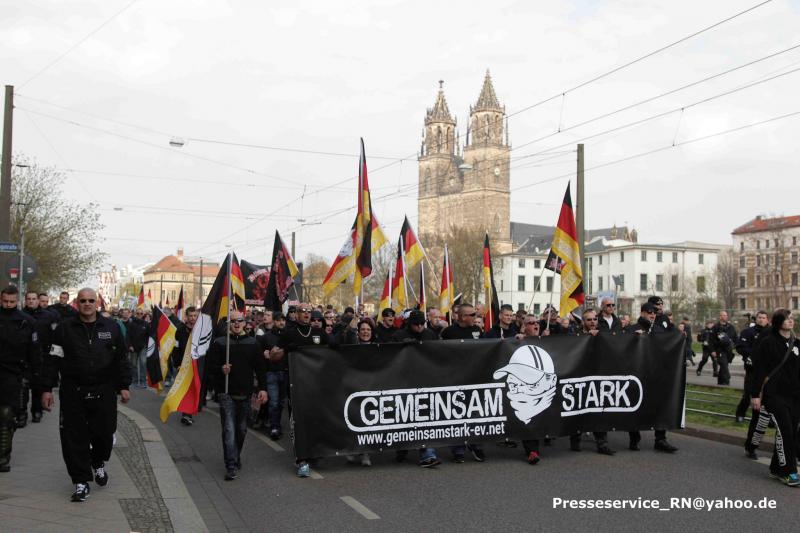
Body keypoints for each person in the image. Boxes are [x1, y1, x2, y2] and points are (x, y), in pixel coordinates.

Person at [41, 288, 131, 502]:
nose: (87, 304)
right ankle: (81, 481)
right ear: (77, 303)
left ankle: (98, 462)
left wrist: (124, 385)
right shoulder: (64, 329)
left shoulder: (111, 327)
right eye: (83, 301)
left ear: (97, 303)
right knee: (74, 438)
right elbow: (52, 360)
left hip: (104, 390)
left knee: (104, 435)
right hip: (73, 391)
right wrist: (46, 389)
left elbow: (121, 359)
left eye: (91, 300)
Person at [207, 310, 267, 481]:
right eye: (233, 321)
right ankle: (230, 465)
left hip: (246, 394)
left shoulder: (253, 343)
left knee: (241, 430)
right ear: (228, 324)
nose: (237, 324)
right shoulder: (220, 343)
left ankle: (235, 454)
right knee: (229, 430)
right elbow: (210, 369)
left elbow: (260, 368)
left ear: (245, 323)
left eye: (240, 320)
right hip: (226, 394)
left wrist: (262, 388)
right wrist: (221, 370)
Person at [271, 304, 329, 477]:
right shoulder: (289, 333)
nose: (306, 314)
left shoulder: (319, 333)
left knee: (316, 418)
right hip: (296, 384)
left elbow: (335, 350)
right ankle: (301, 459)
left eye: (308, 312)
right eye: (302, 311)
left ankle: (314, 451)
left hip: (316, 384)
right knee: (298, 420)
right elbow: (273, 356)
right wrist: (286, 349)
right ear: (295, 314)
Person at [750, 309, 799, 486]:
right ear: (779, 322)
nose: (790, 321)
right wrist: (755, 395)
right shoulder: (769, 343)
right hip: (775, 395)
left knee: (792, 433)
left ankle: (776, 468)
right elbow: (760, 370)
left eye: (792, 319)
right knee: (785, 432)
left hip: (794, 396)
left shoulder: (796, 343)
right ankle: (789, 472)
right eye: (786, 319)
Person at [624, 302, 678, 453]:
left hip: (655, 374)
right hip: (636, 374)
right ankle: (634, 438)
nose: (652, 315)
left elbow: (670, 346)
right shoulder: (631, 329)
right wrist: (633, 340)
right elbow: (622, 349)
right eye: (649, 312)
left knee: (660, 405)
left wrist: (679, 337)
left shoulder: (660, 330)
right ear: (642, 313)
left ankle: (660, 439)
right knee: (635, 405)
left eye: (654, 312)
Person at [0, 287, 40, 473]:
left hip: (14, 373)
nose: (7, 305)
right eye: (5, 301)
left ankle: (2, 457)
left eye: (11, 302)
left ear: (17, 301)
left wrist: (31, 376)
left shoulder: (27, 322)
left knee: (7, 415)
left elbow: (34, 352)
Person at [440, 303, 485, 462]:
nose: (476, 317)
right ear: (463, 316)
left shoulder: (477, 330)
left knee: (476, 413)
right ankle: (458, 449)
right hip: (455, 379)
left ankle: (476, 445)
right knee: (457, 414)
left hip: (474, 378)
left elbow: (489, 347)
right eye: (472, 314)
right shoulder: (448, 332)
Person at [569, 309, 615, 456]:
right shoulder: (575, 334)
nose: (593, 322)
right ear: (583, 321)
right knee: (579, 410)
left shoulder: (604, 334)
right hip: (580, 379)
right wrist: (585, 338)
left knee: (600, 410)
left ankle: (602, 443)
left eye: (595, 319)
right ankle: (575, 439)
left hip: (598, 379)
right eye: (589, 320)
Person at [20, 290, 56, 426]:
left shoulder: (48, 316)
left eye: (33, 299)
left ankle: (37, 411)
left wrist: (52, 356)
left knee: (38, 387)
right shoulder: (20, 316)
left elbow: (54, 337)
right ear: (25, 300)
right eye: (28, 299)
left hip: (43, 357)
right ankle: (21, 414)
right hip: (24, 357)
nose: (31, 301)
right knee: (22, 388)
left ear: (38, 300)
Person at [172, 307, 199, 426]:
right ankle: (186, 414)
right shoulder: (180, 330)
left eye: (195, 316)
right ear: (186, 317)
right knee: (185, 390)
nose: (193, 318)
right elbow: (176, 349)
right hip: (183, 365)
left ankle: (190, 412)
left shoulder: (200, 330)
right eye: (191, 316)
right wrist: (177, 364)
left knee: (194, 390)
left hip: (197, 365)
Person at [710, 311, 737, 386]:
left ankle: (720, 381)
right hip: (719, 350)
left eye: (726, 315)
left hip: (728, 350)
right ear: (720, 317)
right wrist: (712, 351)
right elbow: (711, 340)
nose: (725, 317)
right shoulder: (715, 327)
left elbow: (735, 338)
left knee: (724, 365)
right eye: (723, 315)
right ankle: (727, 380)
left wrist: (734, 346)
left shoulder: (731, 327)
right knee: (724, 363)